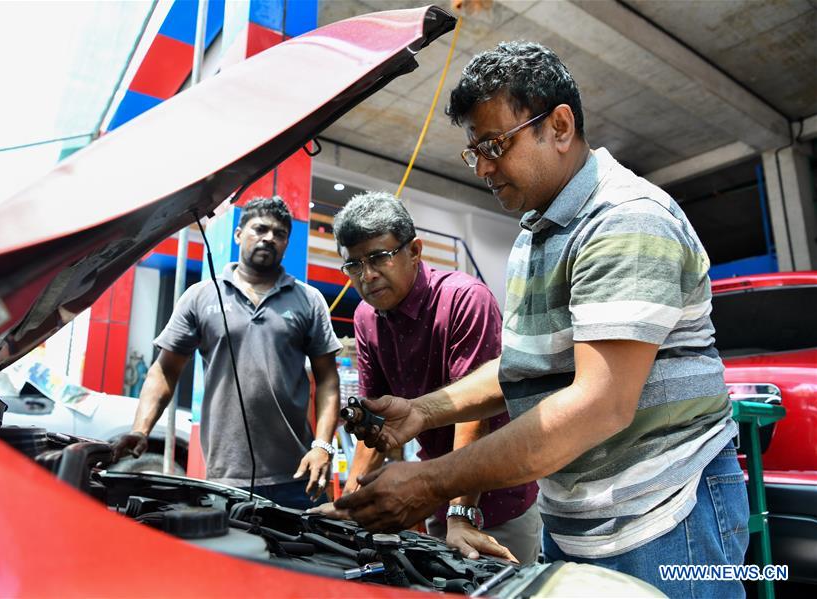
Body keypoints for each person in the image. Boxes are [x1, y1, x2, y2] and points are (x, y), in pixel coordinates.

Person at [334, 42, 747, 596]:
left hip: (667, 517)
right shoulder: (537, 232)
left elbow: (596, 406)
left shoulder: (626, 221)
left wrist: (432, 481)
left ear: (558, 125)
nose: (482, 166)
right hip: (579, 519)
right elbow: (525, 366)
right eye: (473, 150)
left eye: (494, 144)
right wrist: (421, 413)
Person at [312, 191, 540, 564]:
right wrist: (350, 504)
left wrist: (461, 514)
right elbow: (375, 423)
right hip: (436, 498)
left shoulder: (465, 299)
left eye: (379, 257)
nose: (367, 275)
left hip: (495, 502)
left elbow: (473, 414)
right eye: (353, 265)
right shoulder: (366, 319)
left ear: (414, 251)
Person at [112, 197, 342, 510]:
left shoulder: (308, 299)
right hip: (225, 476)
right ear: (238, 234)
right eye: (259, 228)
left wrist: (323, 446)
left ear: (287, 243)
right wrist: (141, 430)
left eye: (279, 234)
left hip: (297, 474)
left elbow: (328, 377)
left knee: (301, 559)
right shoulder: (202, 296)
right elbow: (165, 369)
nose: (269, 238)